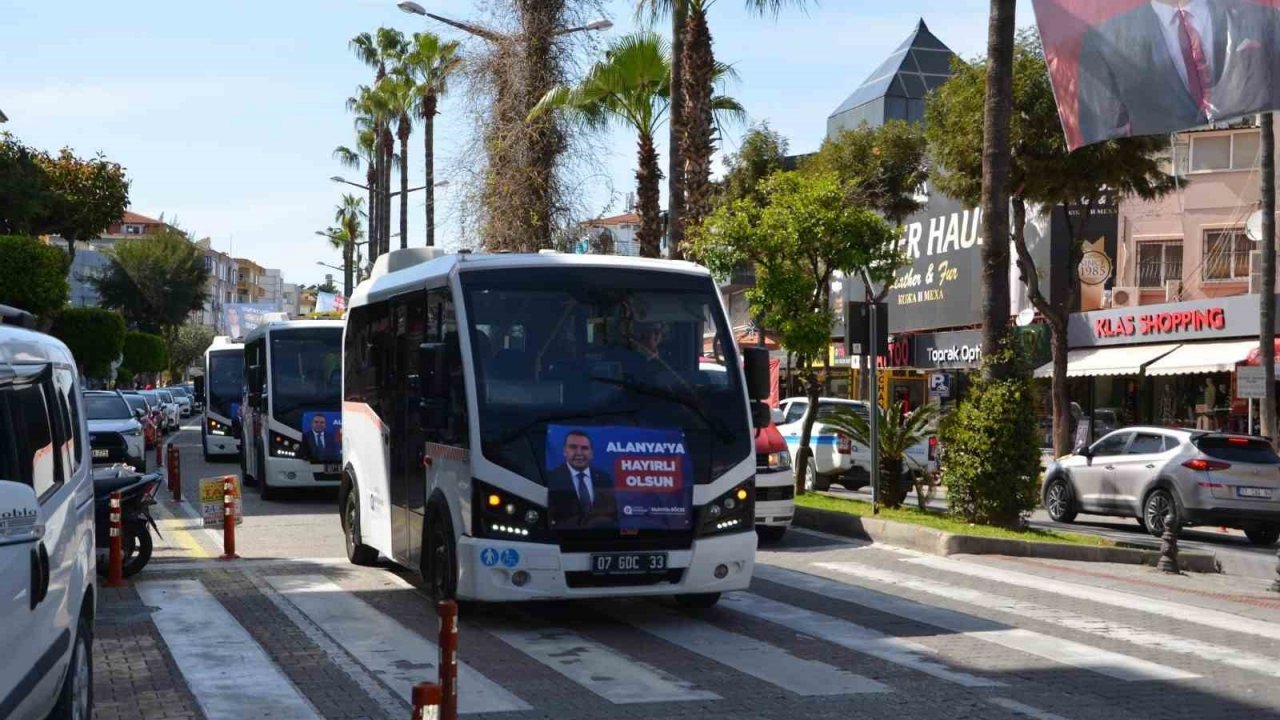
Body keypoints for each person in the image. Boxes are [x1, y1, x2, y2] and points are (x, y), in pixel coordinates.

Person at [1077, 0, 1280, 147]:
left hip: (1246, 146)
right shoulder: (1103, 41)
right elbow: (1103, 129)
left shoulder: (1264, 19)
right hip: (1166, 164)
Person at [547, 430, 617, 529]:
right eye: (573, 447)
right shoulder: (551, 478)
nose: (579, 453)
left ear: (591, 453)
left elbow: (613, 515)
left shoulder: (604, 478)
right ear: (564, 451)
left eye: (584, 448)